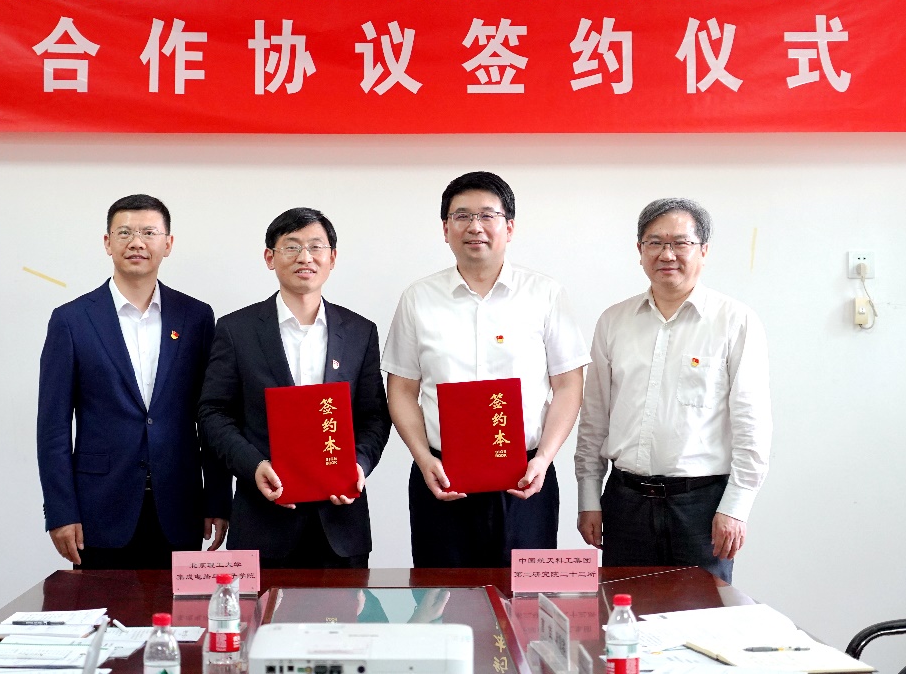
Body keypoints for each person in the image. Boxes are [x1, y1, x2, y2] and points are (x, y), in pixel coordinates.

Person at [382, 171, 590, 568]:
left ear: (509, 227)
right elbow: (402, 390)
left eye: (487, 215)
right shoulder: (418, 298)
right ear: (445, 229)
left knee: (524, 597)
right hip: (440, 476)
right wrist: (423, 458)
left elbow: (568, 384)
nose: (474, 227)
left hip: (526, 476)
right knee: (442, 596)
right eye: (461, 216)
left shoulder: (545, 294)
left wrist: (544, 459)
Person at [575, 198, 771, 583]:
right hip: (625, 503)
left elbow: (752, 423)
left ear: (703, 250)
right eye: (655, 243)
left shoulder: (735, 322)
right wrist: (589, 497)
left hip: (702, 507)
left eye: (681, 243)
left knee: (701, 614)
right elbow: (594, 418)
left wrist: (736, 507)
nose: (667, 254)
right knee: (623, 612)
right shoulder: (614, 321)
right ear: (640, 250)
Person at [37, 194, 230, 569]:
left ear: (168, 244)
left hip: (180, 505)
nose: (136, 242)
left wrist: (218, 499)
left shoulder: (196, 317)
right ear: (107, 242)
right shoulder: (71, 320)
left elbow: (212, 416)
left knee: (179, 609)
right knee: (101, 607)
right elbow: (53, 427)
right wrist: (60, 511)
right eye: (124, 233)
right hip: (99, 507)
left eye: (149, 233)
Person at [198, 207, 390, 568]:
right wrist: (254, 466)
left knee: (342, 608)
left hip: (341, 526)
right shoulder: (236, 330)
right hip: (262, 522)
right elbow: (213, 413)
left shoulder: (360, 332)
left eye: (316, 247)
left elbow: (375, 416)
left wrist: (358, 465)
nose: (305, 257)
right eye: (292, 246)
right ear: (270, 257)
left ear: (332, 258)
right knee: (259, 609)